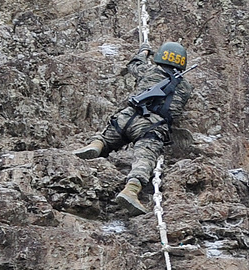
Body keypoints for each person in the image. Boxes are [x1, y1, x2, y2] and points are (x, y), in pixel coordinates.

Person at [71, 41, 193, 215]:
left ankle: (96, 145)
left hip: (128, 116)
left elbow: (134, 65)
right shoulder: (186, 87)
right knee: (145, 158)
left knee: (108, 136)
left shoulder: (149, 70)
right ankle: (131, 189)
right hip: (152, 126)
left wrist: (143, 52)